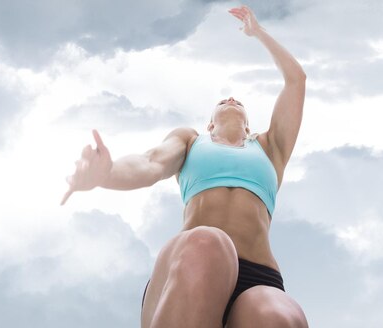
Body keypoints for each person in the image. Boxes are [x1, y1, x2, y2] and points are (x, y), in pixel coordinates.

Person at [60, 5, 309, 328]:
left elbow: (296, 80)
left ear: (249, 128)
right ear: (209, 125)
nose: (231, 98)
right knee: (209, 242)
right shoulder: (191, 142)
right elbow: (150, 163)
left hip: (259, 276)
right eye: (222, 101)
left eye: (239, 103)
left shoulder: (270, 148)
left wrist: (258, 33)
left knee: (276, 313)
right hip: (192, 267)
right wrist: (106, 174)